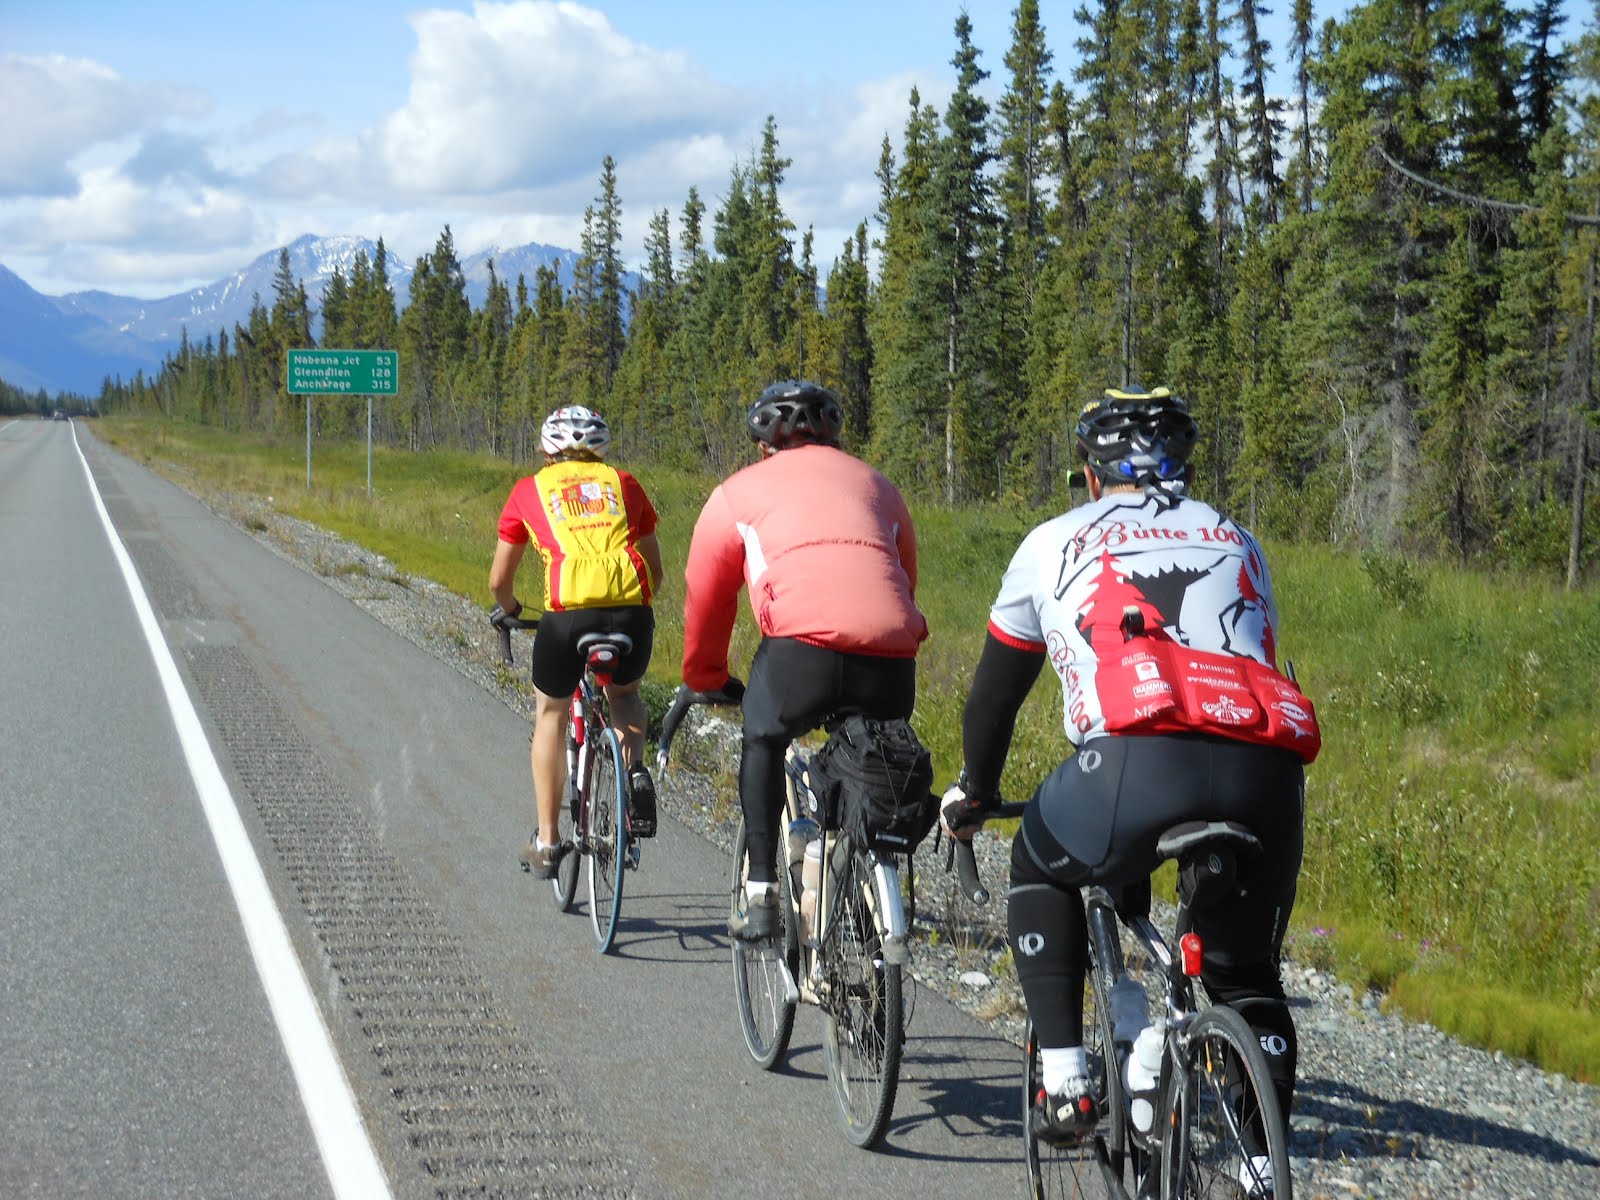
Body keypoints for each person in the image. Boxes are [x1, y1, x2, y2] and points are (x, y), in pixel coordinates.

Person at [941, 385, 1316, 1189]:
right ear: (1185, 464)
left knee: (1039, 864)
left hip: (1135, 766)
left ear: (1088, 472)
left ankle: (1068, 1081)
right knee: (1245, 974)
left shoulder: (1051, 541)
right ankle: (1260, 1171)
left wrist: (975, 790)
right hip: (1265, 771)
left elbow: (994, 697)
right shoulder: (1236, 536)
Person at [681, 380, 929, 940]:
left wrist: (706, 676)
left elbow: (706, 595)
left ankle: (763, 890)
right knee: (863, 750)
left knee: (764, 737)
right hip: (890, 659)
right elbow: (903, 579)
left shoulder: (737, 491)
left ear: (764, 444)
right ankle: (855, 880)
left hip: (800, 656)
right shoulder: (878, 486)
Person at [489, 405, 665, 877]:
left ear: (548, 450)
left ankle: (548, 841)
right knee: (624, 695)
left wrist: (508, 611)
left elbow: (498, 580)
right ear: (600, 449)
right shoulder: (623, 484)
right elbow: (656, 570)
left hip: (566, 617)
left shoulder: (530, 489)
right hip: (631, 610)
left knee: (551, 711)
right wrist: (632, 607)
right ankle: (632, 775)